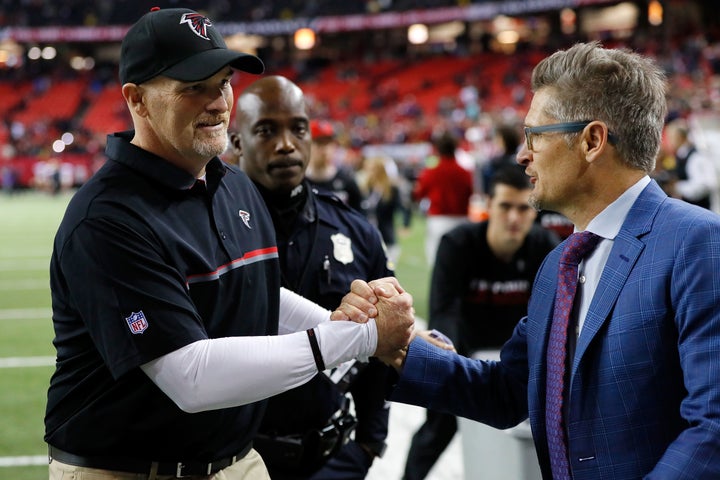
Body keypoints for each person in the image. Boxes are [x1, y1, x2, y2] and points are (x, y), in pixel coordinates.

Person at [44, 8, 414, 480]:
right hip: (126, 469)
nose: (218, 102)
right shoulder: (107, 219)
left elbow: (257, 295)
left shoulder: (235, 185)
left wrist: (352, 324)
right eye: (193, 87)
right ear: (137, 100)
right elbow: (190, 377)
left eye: (222, 82)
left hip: (237, 461)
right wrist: (355, 337)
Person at [345, 41, 720, 479]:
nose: (523, 154)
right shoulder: (559, 264)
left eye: (534, 135)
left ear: (591, 141)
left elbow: (711, 429)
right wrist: (400, 347)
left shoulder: (695, 243)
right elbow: (509, 391)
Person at [230, 75, 392, 479]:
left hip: (330, 458)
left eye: (298, 129)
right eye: (266, 130)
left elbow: (383, 348)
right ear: (236, 143)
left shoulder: (354, 230)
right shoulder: (207, 235)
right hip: (231, 463)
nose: (286, 143)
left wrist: (368, 445)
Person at [402, 166, 560, 480]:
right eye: (505, 206)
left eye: (523, 208)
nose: (514, 218)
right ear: (488, 205)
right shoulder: (458, 243)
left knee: (545, 434)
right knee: (438, 427)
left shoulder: (547, 247)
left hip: (519, 357)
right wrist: (451, 364)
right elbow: (443, 311)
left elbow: (554, 320)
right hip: (466, 349)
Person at [413, 130, 473, 266]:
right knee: (461, 263)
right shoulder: (465, 172)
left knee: (437, 264)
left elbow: (419, 194)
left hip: (438, 219)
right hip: (461, 220)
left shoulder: (431, 172)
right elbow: (470, 194)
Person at [305, 119, 365, 213]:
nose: (325, 149)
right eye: (319, 143)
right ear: (307, 145)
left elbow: (359, 217)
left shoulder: (346, 180)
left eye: (329, 143)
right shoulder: (299, 182)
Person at [359, 155, 407, 267]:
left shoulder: (391, 189)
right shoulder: (366, 188)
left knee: (386, 272)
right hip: (367, 237)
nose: (368, 172)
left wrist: (405, 225)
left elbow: (403, 207)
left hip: (386, 237)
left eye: (371, 169)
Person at [663, 117, 718, 210]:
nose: (670, 142)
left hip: (700, 211)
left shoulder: (695, 157)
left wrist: (676, 187)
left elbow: (702, 186)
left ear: (679, 137)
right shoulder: (680, 156)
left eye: (671, 137)